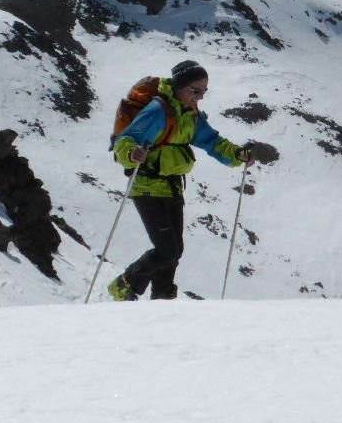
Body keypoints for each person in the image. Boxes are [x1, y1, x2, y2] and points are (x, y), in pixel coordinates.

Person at [107, 60, 263, 301]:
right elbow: (125, 141)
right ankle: (125, 284)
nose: (199, 97)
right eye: (195, 91)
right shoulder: (159, 111)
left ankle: (163, 298)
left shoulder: (191, 116)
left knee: (174, 250)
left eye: (203, 92)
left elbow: (212, 142)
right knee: (167, 249)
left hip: (172, 187)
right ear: (180, 86)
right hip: (147, 186)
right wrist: (131, 153)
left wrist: (236, 155)